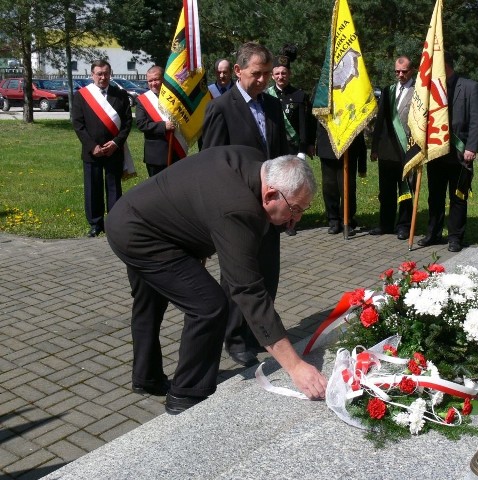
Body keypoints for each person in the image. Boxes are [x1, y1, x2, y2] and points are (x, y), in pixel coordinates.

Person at [106, 146, 326, 414]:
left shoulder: (253, 164)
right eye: (295, 210)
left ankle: (146, 378)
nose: (296, 220)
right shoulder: (240, 210)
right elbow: (248, 291)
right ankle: (185, 395)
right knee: (209, 306)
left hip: (138, 214)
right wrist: (294, 366)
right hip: (140, 233)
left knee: (150, 301)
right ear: (270, 195)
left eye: (303, 209)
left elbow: (200, 196)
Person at [201, 42, 288, 368]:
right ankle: (235, 337)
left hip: (271, 207)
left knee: (268, 272)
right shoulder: (222, 108)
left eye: (267, 74)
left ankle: (259, 333)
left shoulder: (273, 106)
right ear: (238, 71)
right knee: (239, 275)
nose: (263, 80)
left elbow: (279, 155)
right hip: (237, 210)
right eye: (256, 74)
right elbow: (211, 165)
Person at [417, 53, 478, 252]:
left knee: (458, 197)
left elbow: (476, 120)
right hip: (436, 152)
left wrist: (472, 147)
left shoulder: (470, 87)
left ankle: (455, 237)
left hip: (460, 153)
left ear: (445, 65)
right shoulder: (431, 88)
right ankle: (434, 233)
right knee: (435, 196)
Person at [71, 59, 132, 238]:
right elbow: (78, 124)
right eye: (99, 74)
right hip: (92, 151)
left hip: (113, 150)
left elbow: (128, 123)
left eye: (106, 73)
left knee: (114, 187)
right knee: (93, 188)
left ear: (110, 74)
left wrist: (116, 143)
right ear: (92, 75)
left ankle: (113, 223)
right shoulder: (82, 96)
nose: (103, 77)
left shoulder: (120, 94)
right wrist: (92, 146)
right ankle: (95, 224)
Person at [266, 44, 314, 236]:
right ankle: (276, 219)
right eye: (277, 73)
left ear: (289, 74)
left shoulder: (299, 95)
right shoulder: (265, 95)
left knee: (295, 188)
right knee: (275, 186)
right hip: (274, 148)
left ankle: (292, 222)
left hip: (294, 148)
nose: (280, 77)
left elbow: (305, 124)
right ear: (272, 75)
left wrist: (304, 147)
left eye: (284, 73)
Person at [370, 56, 415, 240]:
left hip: (408, 148)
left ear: (411, 71)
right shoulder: (388, 91)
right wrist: (374, 147)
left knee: (406, 190)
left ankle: (404, 225)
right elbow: (380, 120)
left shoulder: (419, 91)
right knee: (386, 190)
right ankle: (385, 224)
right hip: (387, 149)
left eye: (404, 71)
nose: (400, 75)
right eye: (397, 71)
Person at [136, 65, 187, 177]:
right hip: (155, 155)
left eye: (156, 79)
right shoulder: (142, 100)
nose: (153, 83)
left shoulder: (175, 97)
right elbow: (141, 124)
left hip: (176, 150)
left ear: (163, 79)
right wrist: (163, 126)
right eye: (150, 80)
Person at [316, 124, 366, 235]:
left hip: (349, 142)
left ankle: (347, 220)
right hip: (327, 142)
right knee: (329, 186)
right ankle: (333, 220)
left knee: (347, 186)